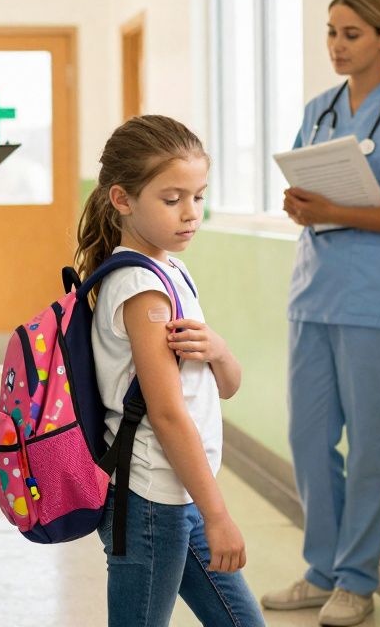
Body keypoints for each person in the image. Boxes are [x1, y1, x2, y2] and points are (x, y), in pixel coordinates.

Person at [259, 0, 380, 626]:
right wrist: (300, 206)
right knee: (309, 440)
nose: (337, 46)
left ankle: (358, 579)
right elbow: (307, 197)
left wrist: (336, 210)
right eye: (331, 33)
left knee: (370, 446)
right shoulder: (319, 109)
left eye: (351, 34)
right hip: (314, 295)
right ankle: (321, 571)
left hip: (376, 302)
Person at [79, 115, 266, 627]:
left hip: (184, 489)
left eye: (199, 196)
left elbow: (226, 386)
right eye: (171, 199)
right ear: (122, 199)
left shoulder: (172, 269)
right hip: (150, 502)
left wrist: (220, 351)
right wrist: (219, 515)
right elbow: (166, 414)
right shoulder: (142, 288)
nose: (191, 214)